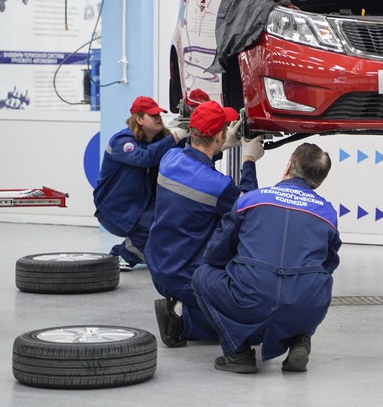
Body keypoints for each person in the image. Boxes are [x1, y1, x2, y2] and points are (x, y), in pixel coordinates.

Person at [192, 143, 340, 374]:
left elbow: (217, 252)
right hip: (304, 303)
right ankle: (300, 339)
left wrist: (237, 270)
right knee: (313, 286)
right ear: (320, 181)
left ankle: (238, 354)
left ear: (288, 166)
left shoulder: (252, 199)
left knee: (202, 276)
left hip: (251, 296)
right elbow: (329, 264)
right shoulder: (327, 213)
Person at [146, 100, 265, 348]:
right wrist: (249, 159)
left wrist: (222, 146)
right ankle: (180, 317)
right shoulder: (219, 186)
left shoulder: (170, 158)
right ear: (220, 135)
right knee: (257, 329)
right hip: (186, 276)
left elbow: (196, 163)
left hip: (160, 264)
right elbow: (250, 209)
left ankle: (184, 306)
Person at [93, 96, 188, 271]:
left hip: (140, 204)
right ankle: (122, 254)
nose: (159, 118)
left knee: (175, 214)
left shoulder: (159, 141)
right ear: (139, 119)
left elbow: (190, 153)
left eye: (159, 114)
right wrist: (176, 135)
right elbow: (144, 158)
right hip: (115, 208)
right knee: (157, 219)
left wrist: (220, 145)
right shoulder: (122, 141)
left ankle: (146, 252)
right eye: (153, 115)